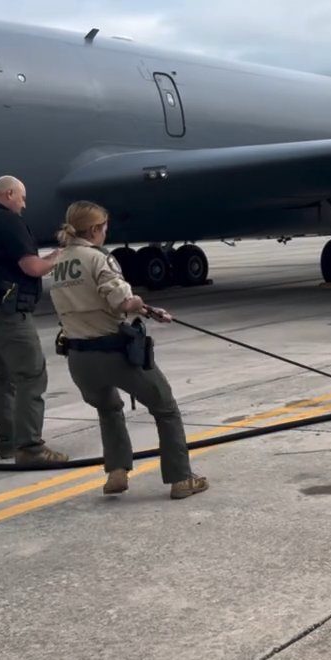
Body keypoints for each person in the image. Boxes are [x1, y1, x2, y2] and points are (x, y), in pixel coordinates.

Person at [48, 201, 208, 500]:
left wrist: (146, 309)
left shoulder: (58, 262)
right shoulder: (98, 259)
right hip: (113, 352)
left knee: (109, 409)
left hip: (79, 360)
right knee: (166, 408)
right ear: (95, 229)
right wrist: (143, 306)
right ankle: (181, 479)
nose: (105, 234)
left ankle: (117, 471)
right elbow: (121, 302)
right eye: (104, 228)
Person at [0, 176, 69, 464]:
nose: (24, 205)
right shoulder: (9, 221)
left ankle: (8, 443)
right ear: (9, 193)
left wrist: (48, 256)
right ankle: (31, 448)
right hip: (7, 315)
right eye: (22, 198)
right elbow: (32, 268)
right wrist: (57, 260)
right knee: (31, 375)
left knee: (0, 378)